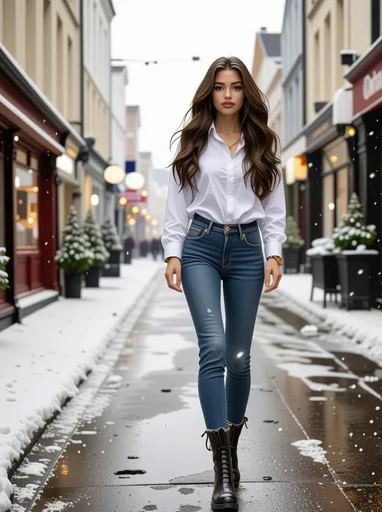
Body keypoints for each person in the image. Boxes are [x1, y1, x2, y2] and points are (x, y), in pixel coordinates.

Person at [162, 56, 286, 511]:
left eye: (235, 86)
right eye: (219, 86)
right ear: (209, 93)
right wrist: (172, 252)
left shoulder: (261, 144)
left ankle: (231, 445)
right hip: (200, 245)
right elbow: (177, 207)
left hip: (249, 250)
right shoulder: (194, 143)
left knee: (238, 356)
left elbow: (274, 209)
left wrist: (274, 251)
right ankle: (223, 472)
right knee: (213, 347)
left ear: (245, 92)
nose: (228, 94)